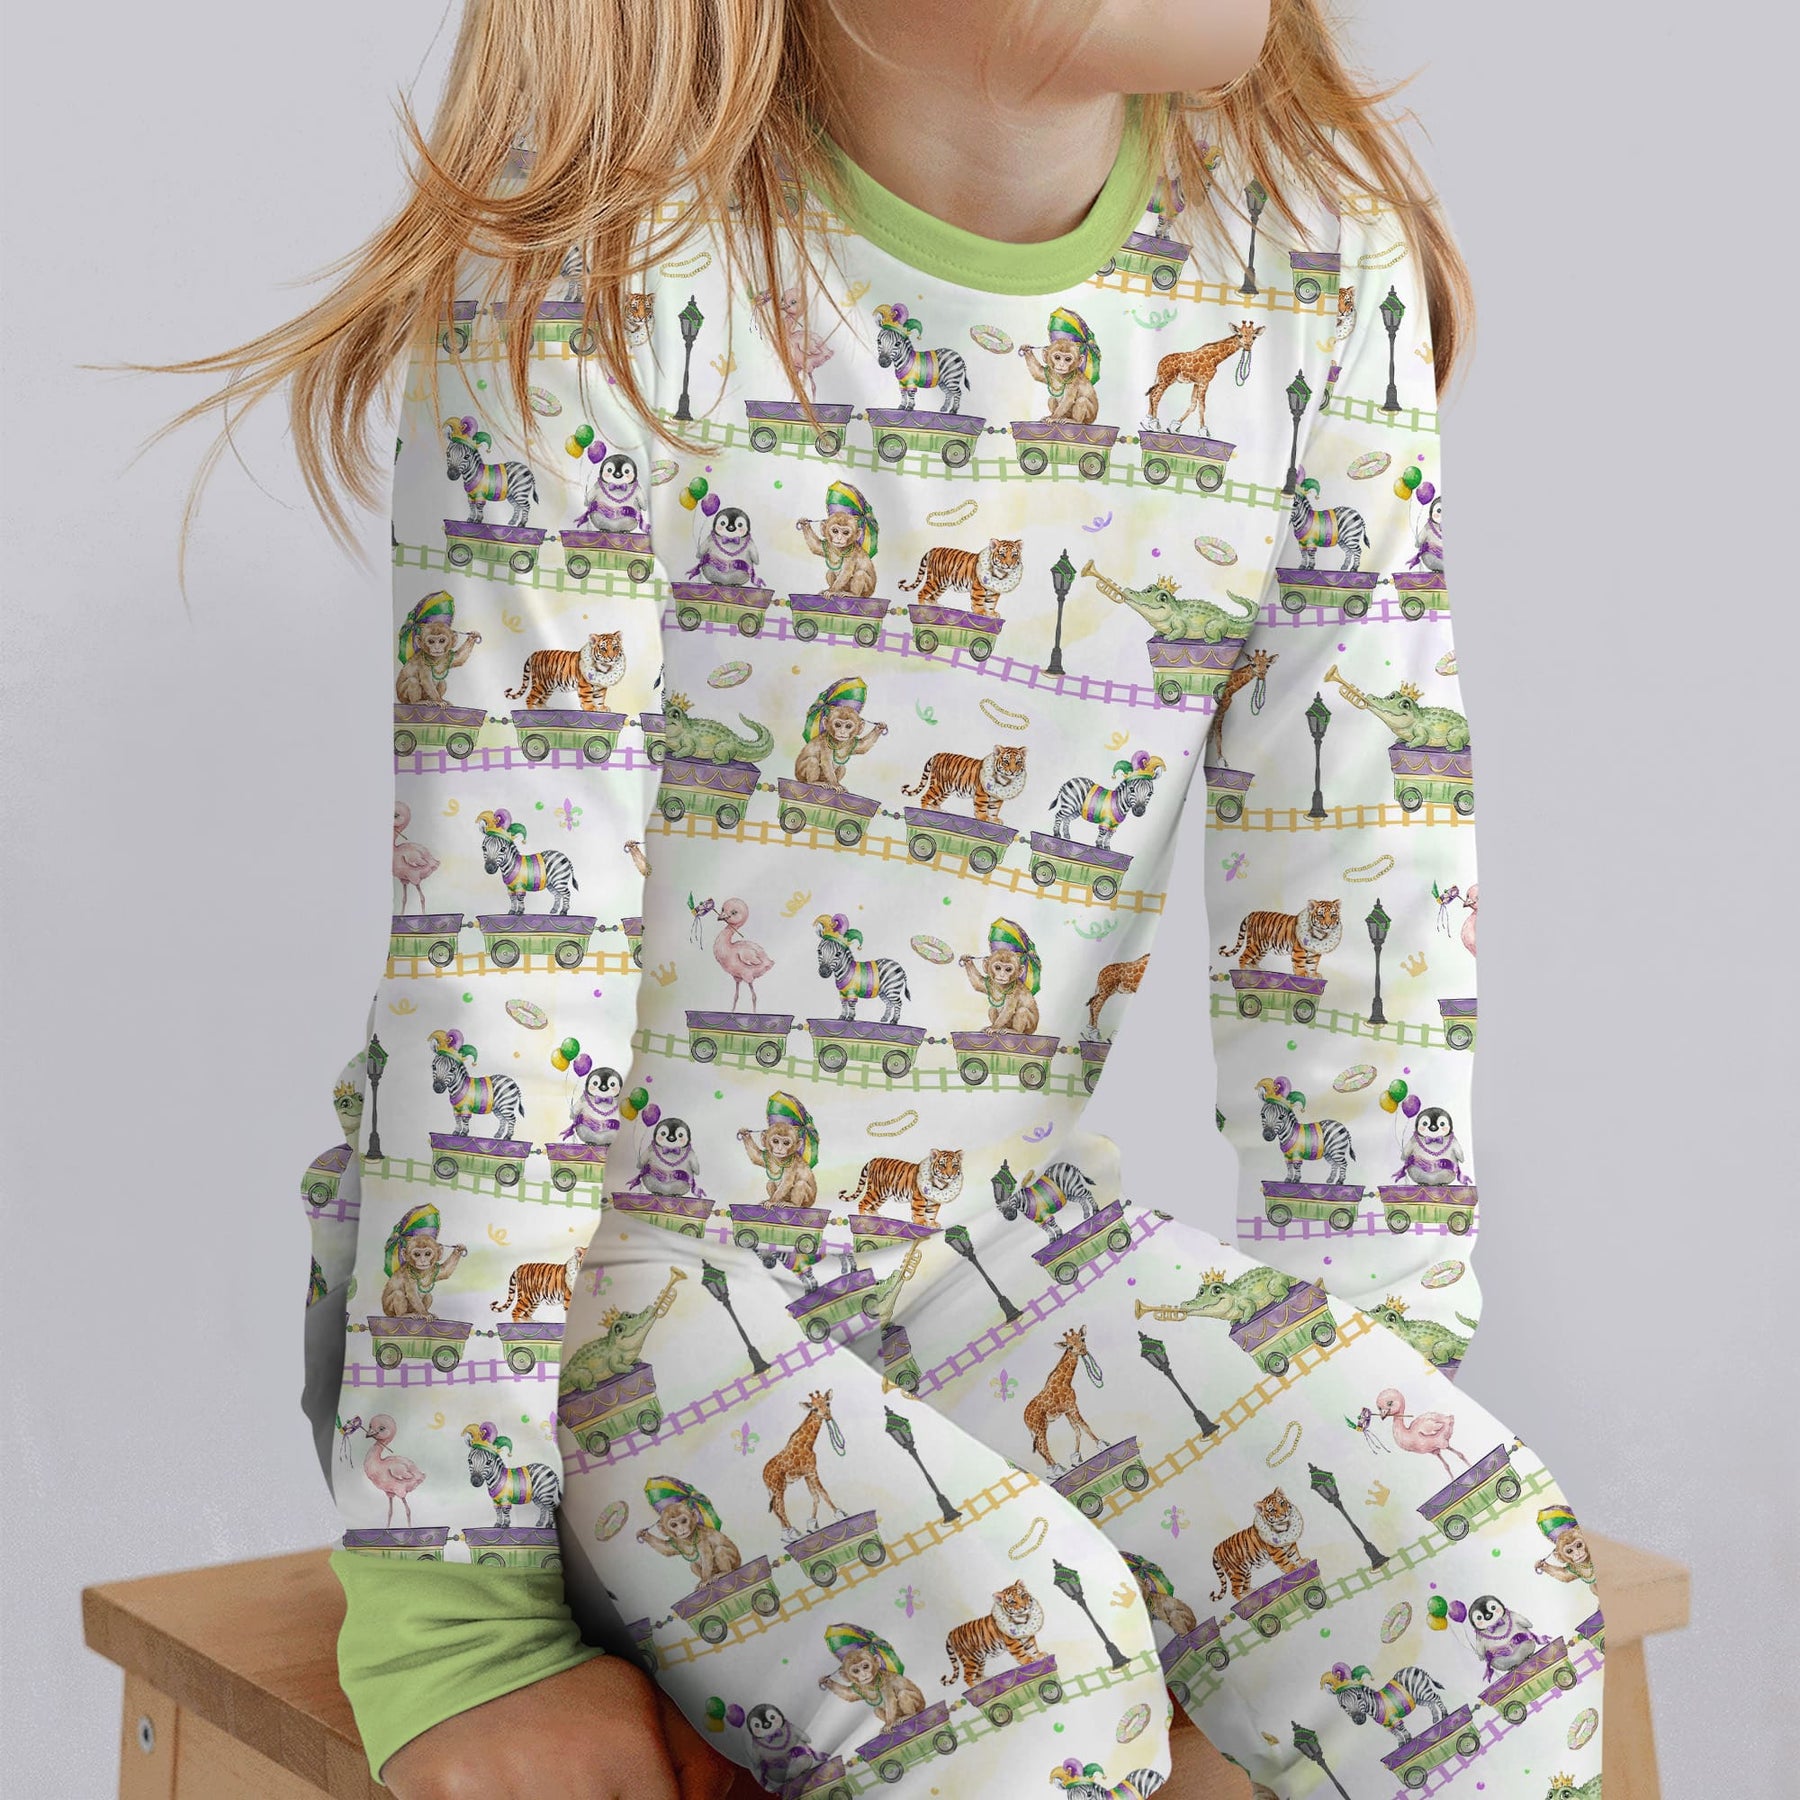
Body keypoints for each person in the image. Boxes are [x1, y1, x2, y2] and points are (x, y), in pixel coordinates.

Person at [151, 3, 1604, 1796]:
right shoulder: (601, 274)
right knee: (1032, 1683)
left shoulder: (1308, 256)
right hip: (595, 1286)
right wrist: (456, 1613)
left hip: (983, 1247)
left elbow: (1361, 892)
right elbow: (503, 956)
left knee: (1481, 1594)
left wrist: (1365, 1441)